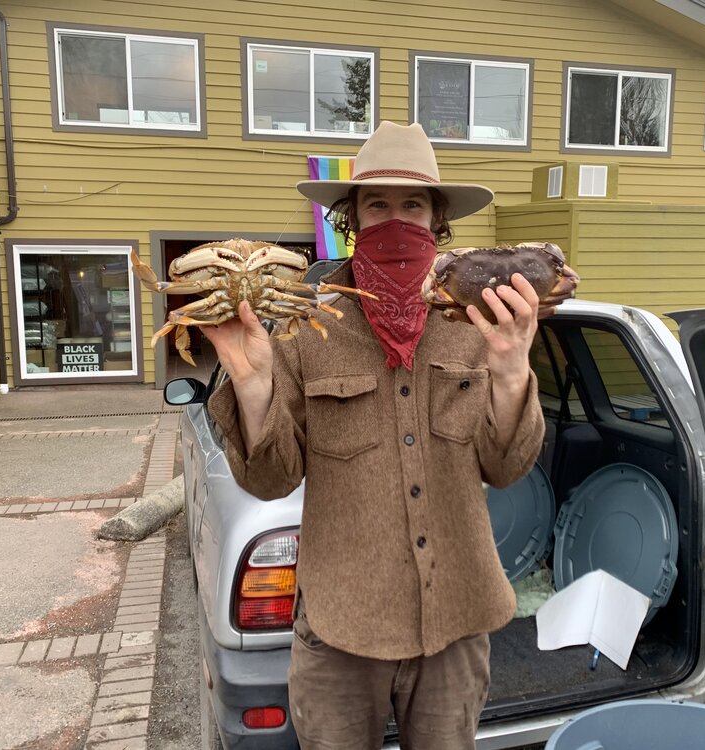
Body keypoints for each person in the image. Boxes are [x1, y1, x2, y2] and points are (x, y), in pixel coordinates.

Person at [202, 121, 575, 749]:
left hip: (457, 624)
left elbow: (506, 466)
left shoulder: (479, 319)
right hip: (340, 631)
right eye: (377, 204)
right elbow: (270, 480)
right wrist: (254, 386)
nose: (395, 219)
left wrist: (513, 370)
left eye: (413, 204)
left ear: (437, 221)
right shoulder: (304, 325)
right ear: (352, 217)